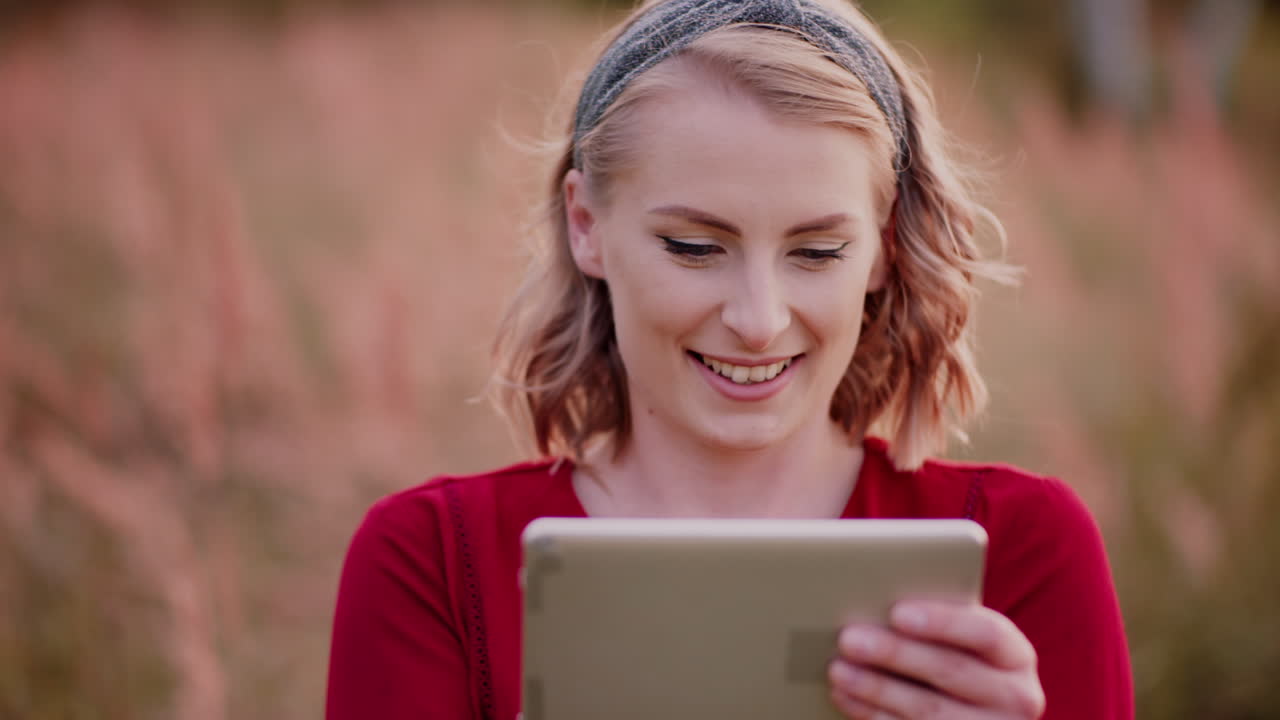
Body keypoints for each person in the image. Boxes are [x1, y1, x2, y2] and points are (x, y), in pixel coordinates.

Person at [326, 0, 1134, 718]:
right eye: (694, 246)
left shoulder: (1023, 554)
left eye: (816, 251)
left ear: (883, 251)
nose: (758, 319)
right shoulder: (429, 564)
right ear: (586, 226)